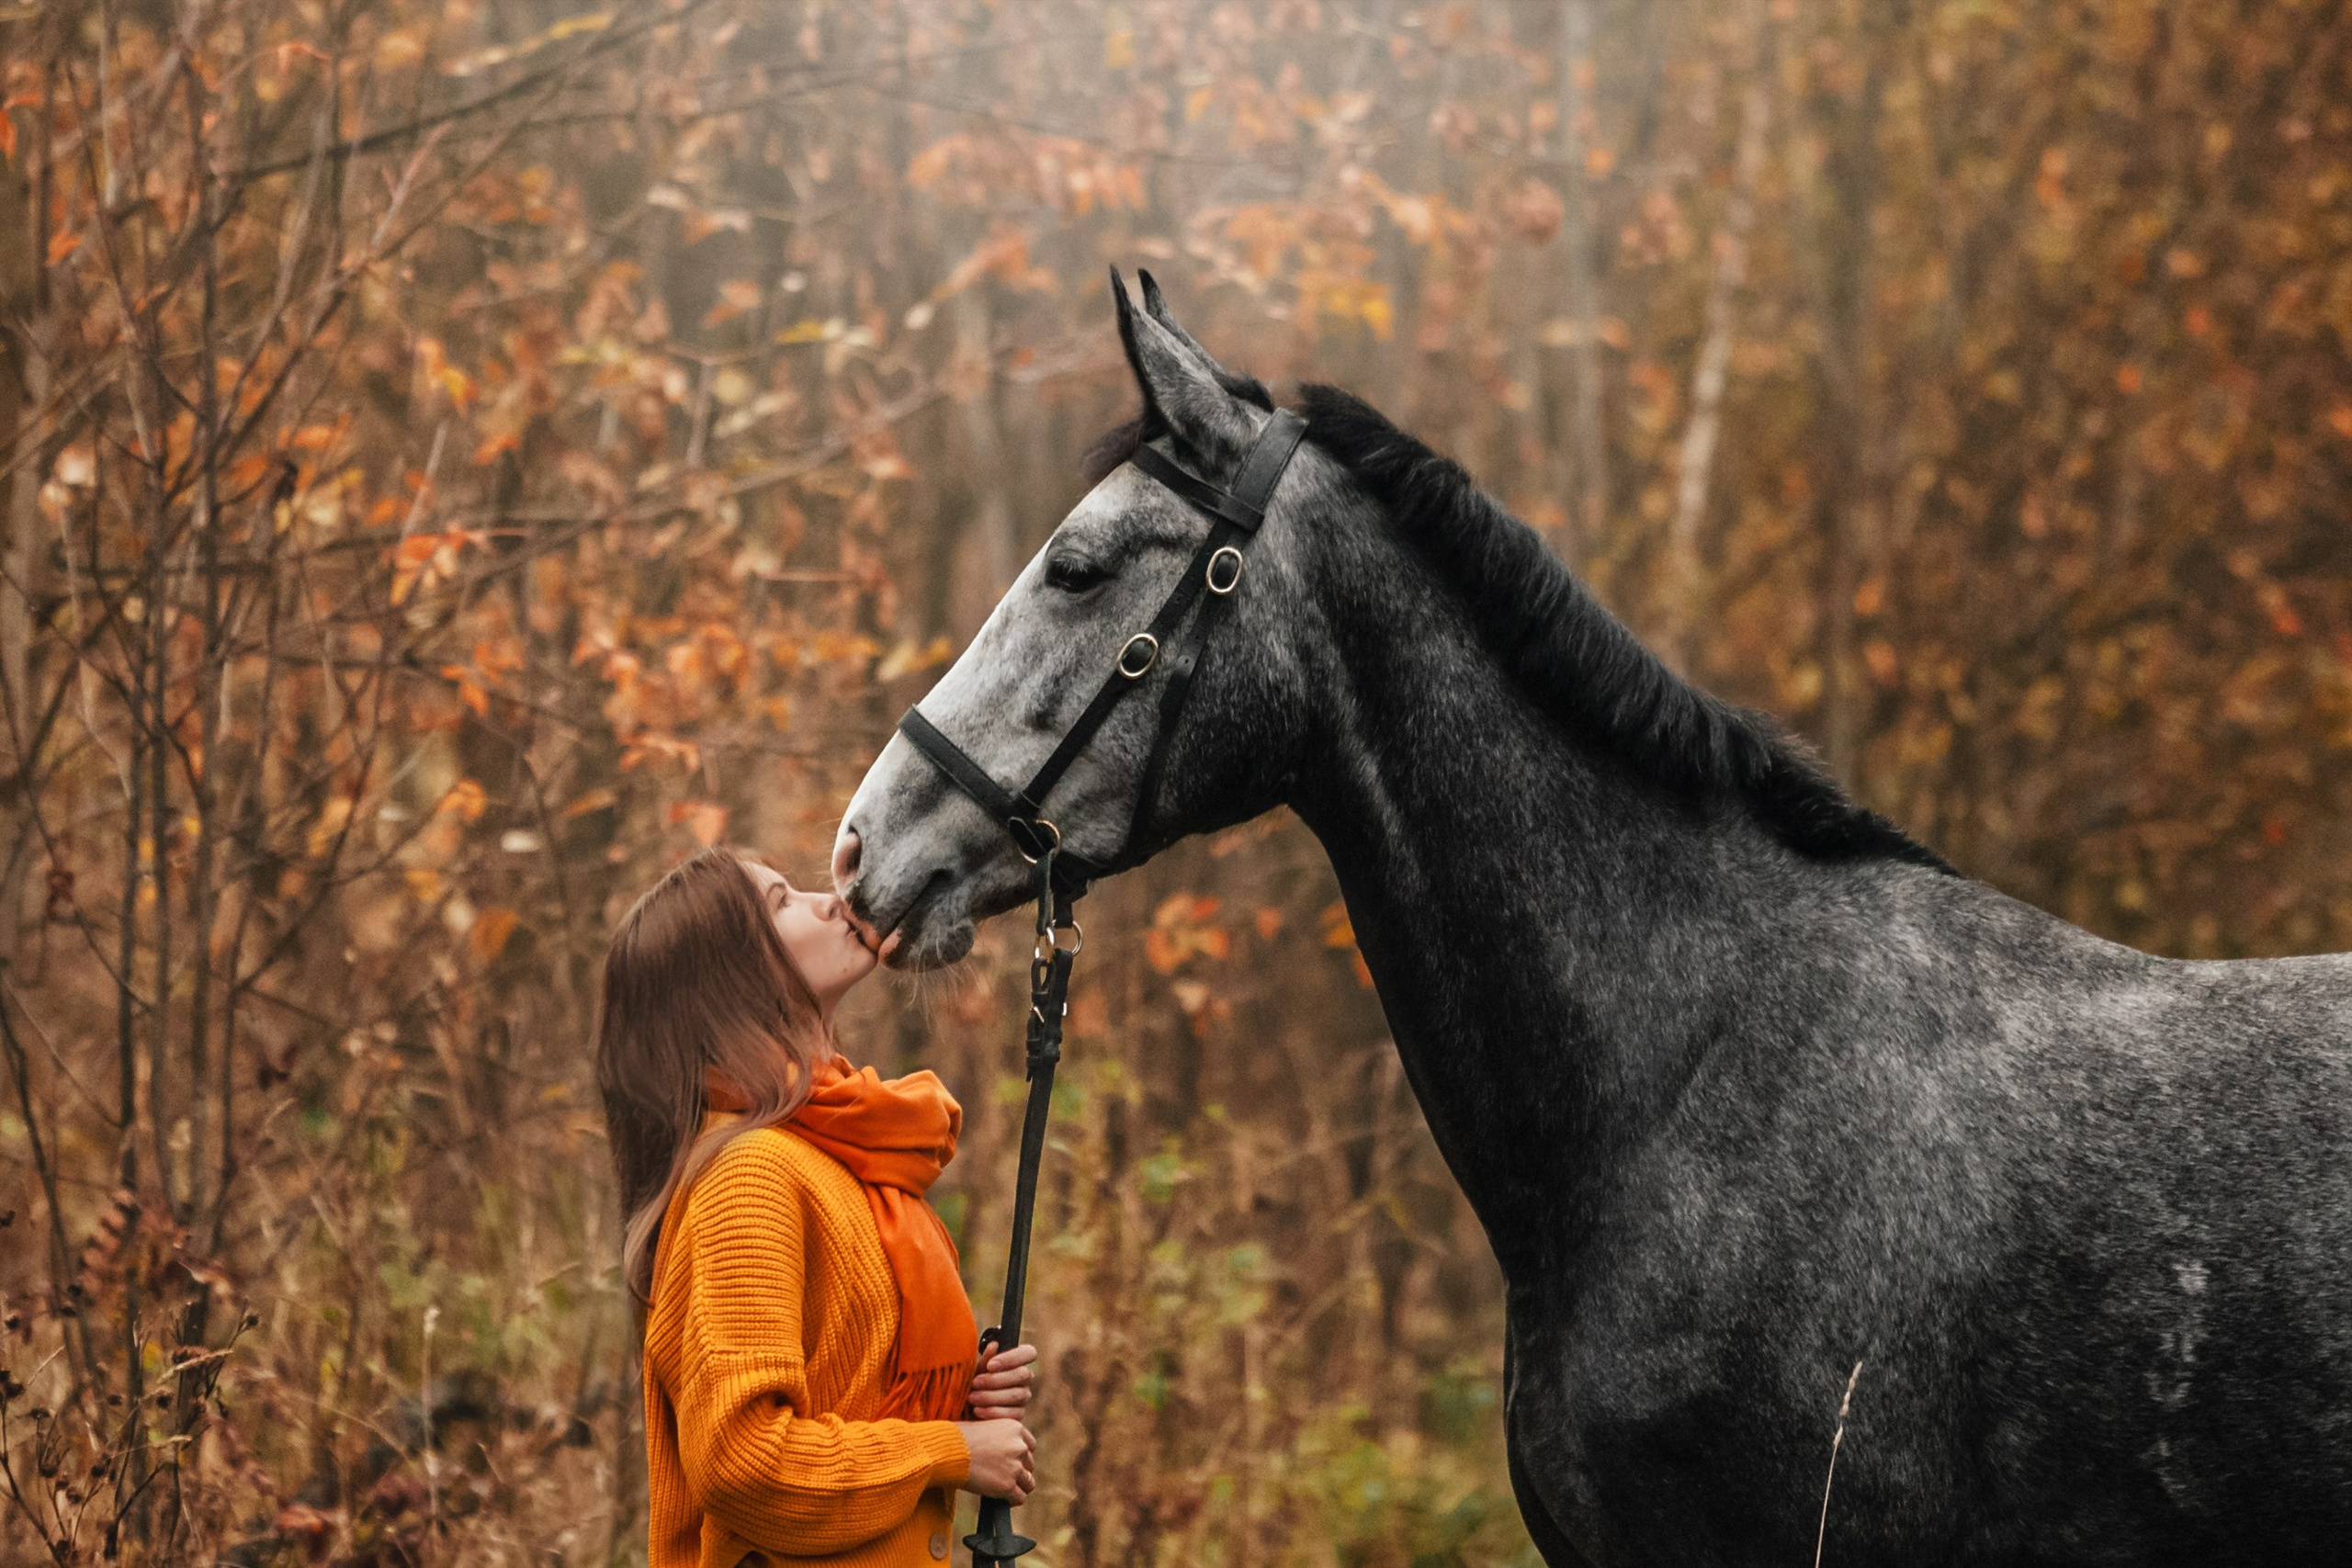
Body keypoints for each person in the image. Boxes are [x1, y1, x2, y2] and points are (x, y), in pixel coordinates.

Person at [596, 845, 1039, 1567]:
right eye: (781, 903)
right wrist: (951, 1447)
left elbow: (843, 1399)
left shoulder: (829, 1153)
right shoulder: (749, 1174)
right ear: (729, 981)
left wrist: (961, 1396)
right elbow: (743, 1462)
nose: (831, 899)